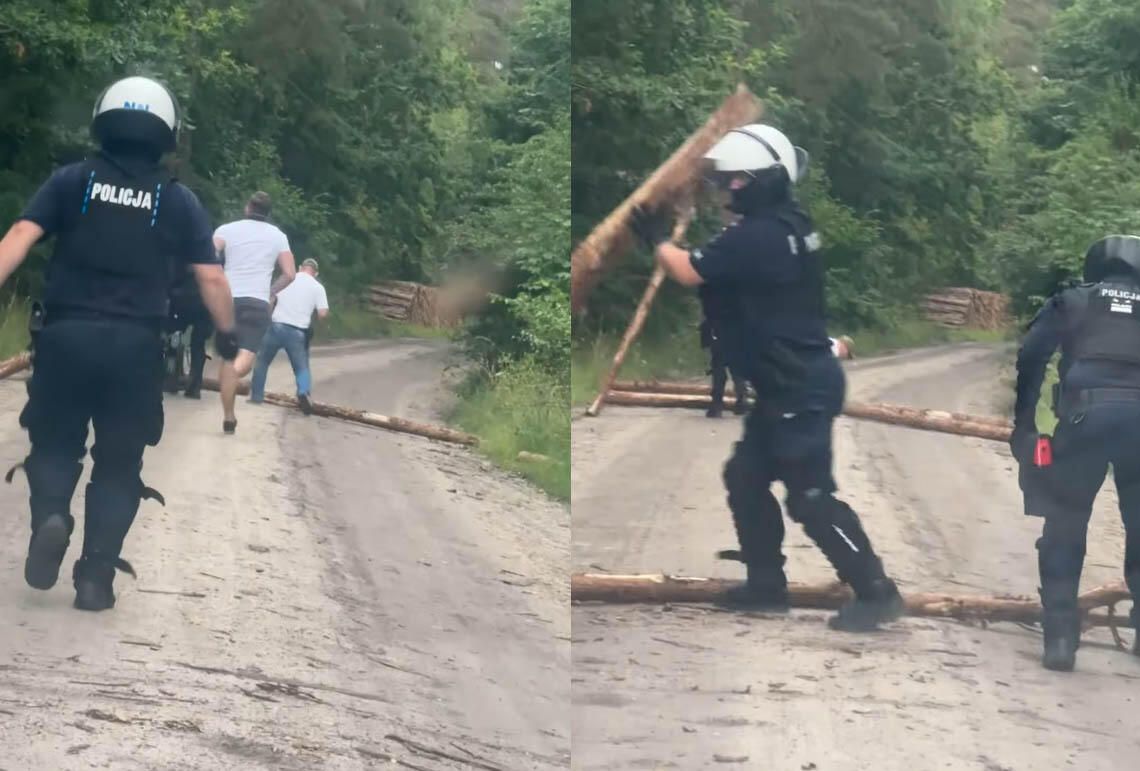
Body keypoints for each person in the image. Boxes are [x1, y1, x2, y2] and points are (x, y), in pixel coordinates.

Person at [630, 123, 903, 631]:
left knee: (810, 496)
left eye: (735, 181)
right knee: (746, 476)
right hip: (787, 383)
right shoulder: (788, 224)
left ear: (762, 181)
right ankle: (766, 585)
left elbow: (689, 271)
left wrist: (656, 240)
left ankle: (876, 590)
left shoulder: (763, 236)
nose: (726, 190)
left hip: (801, 384)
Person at [0, 76, 238, 611]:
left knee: (57, 443)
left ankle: (53, 515)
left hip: (65, 338)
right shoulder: (178, 202)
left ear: (102, 121)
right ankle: (95, 577)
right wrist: (226, 334)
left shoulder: (70, 181)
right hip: (134, 349)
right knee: (118, 463)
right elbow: (212, 279)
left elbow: (17, 239)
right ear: (167, 135)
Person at [1012, 234, 1140, 671]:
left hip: (1085, 422)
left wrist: (1024, 424)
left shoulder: (1073, 300)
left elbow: (1031, 356)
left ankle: (1061, 638)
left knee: (1066, 522)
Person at [213, 191, 296, 434]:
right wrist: (270, 292)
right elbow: (290, 274)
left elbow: (206, 253)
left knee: (227, 359)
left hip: (227, 299)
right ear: (268, 213)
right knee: (243, 360)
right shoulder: (278, 236)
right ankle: (234, 374)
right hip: (257, 303)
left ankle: (229, 416)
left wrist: (216, 277)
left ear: (248, 207)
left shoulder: (226, 230)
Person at [250, 257, 329, 413]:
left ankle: (256, 395)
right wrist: (320, 321)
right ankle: (303, 393)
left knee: (262, 362)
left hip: (276, 326)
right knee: (301, 368)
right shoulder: (318, 288)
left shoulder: (286, 280)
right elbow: (323, 313)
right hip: (297, 332)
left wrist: (268, 317)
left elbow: (270, 299)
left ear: (300, 268)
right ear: (316, 273)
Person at [167, 263, 214, 398]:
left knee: (173, 340)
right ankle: (194, 386)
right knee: (198, 345)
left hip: (179, 300)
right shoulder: (209, 251)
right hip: (204, 302)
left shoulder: (176, 249)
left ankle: (171, 379)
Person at [700, 313, 747, 417]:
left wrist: (706, 342)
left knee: (719, 372)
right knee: (737, 372)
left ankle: (717, 404)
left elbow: (705, 321)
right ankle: (741, 401)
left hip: (720, 338)